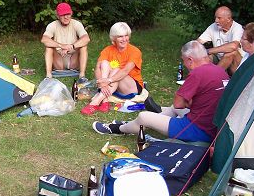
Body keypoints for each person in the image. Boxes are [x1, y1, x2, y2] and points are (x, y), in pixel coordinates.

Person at [92, 41, 228, 143]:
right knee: (172, 109)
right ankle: (136, 122)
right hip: (213, 126)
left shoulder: (198, 73)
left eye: (184, 61)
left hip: (198, 129)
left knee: (144, 117)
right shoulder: (220, 70)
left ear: (190, 60)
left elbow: (179, 103)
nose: (185, 65)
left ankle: (117, 129)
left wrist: (188, 100)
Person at [80, 22, 144, 115]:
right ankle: (105, 100)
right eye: (120, 36)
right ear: (114, 38)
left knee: (117, 70)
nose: (124, 39)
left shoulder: (135, 51)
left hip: (131, 86)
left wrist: (108, 81)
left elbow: (125, 71)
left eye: (126, 35)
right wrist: (103, 84)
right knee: (104, 63)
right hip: (112, 84)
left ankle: (95, 102)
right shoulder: (108, 50)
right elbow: (98, 68)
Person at [41, 2, 90, 82]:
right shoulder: (52, 25)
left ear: (71, 13)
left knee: (84, 46)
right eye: (63, 15)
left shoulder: (76, 24)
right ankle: (48, 76)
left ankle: (82, 76)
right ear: (57, 16)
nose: (66, 17)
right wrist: (61, 46)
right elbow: (44, 39)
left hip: (73, 59)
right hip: (59, 60)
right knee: (48, 48)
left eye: (68, 14)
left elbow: (86, 39)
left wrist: (71, 46)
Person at [197, 5, 244, 72]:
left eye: (219, 18)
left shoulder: (237, 28)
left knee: (231, 53)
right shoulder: (213, 26)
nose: (216, 20)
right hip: (219, 59)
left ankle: (214, 77)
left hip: (237, 63)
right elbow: (199, 42)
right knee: (206, 57)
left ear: (228, 19)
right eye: (215, 17)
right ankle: (199, 76)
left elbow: (234, 46)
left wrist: (208, 51)